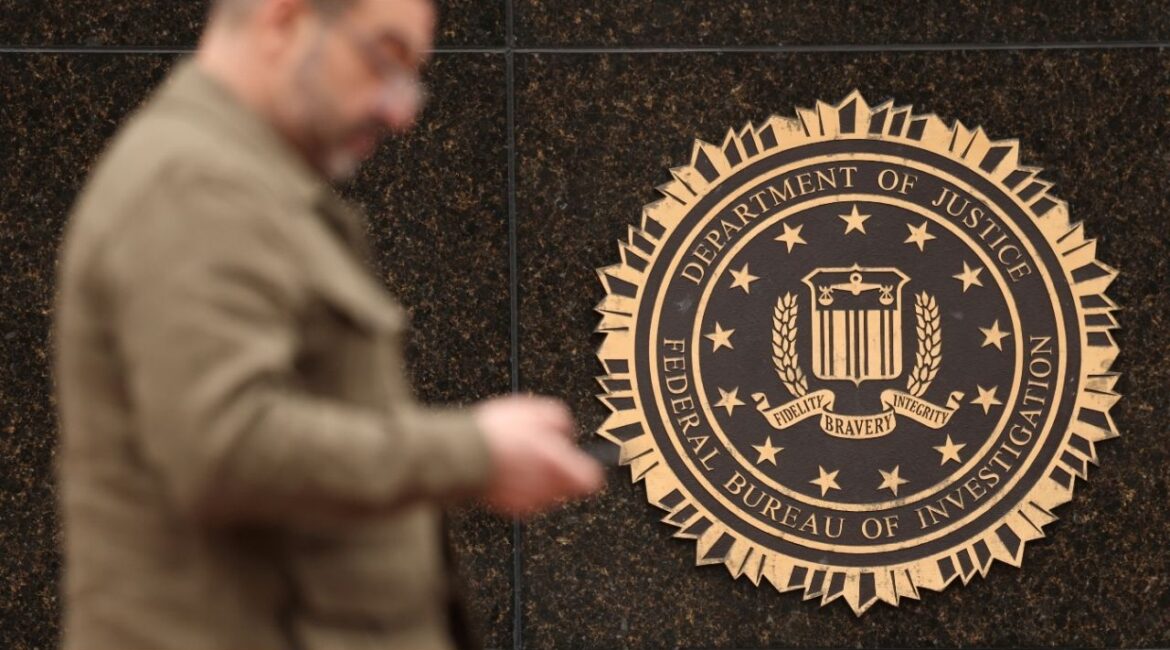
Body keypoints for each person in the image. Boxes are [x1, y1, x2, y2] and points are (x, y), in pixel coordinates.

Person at [51, 0, 604, 648]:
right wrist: (473, 455)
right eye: (383, 59)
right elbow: (224, 447)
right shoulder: (193, 184)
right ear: (283, 22)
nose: (401, 111)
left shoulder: (240, 180)